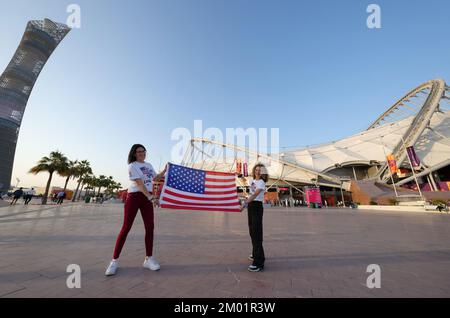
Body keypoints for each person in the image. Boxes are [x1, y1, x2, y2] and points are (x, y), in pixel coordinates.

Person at [105, 144, 167, 276]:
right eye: (139, 152)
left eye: (144, 151)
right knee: (126, 228)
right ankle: (114, 261)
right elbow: (139, 184)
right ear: (134, 153)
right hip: (134, 197)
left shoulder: (149, 165)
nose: (142, 153)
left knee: (150, 227)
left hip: (147, 198)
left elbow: (155, 178)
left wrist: (165, 170)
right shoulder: (132, 166)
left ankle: (148, 259)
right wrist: (151, 197)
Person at [242, 163, 268, 272]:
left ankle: (259, 262)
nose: (257, 172)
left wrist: (244, 204)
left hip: (256, 206)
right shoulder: (252, 181)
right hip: (251, 207)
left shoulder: (261, 182)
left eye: (260, 170)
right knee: (252, 231)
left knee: (256, 233)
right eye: (256, 170)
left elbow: (255, 195)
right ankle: (255, 253)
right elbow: (250, 192)